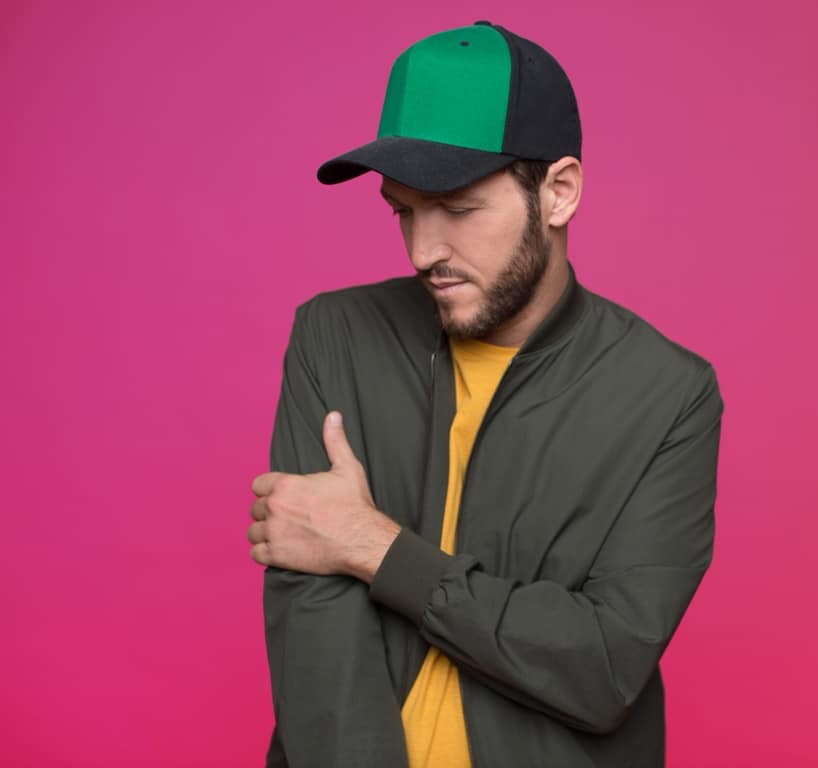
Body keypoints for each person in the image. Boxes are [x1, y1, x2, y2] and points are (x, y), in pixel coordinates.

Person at [247, 20, 724, 768]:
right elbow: (316, 632)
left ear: (559, 192)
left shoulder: (668, 393)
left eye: (459, 209)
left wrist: (375, 549)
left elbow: (603, 666)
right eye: (403, 209)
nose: (423, 250)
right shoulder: (334, 335)